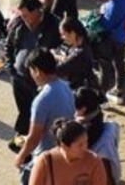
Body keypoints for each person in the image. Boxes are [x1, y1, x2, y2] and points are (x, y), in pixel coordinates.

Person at [5, 0, 62, 149]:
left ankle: (35, 141)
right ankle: (23, 135)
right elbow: (9, 46)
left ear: (36, 11)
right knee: (24, 108)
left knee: (37, 111)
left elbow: (60, 49)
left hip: (38, 80)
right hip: (18, 77)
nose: (23, 18)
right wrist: (11, 68)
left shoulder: (53, 25)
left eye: (25, 15)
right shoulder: (18, 24)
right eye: (21, 15)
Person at [15, 49, 76, 181]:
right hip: (65, 151)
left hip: (47, 156)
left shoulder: (41, 100)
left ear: (37, 71)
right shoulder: (66, 86)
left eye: (31, 71)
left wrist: (20, 156)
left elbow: (34, 137)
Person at [28, 120, 108, 185]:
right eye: (80, 145)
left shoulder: (94, 162)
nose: (85, 148)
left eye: (86, 142)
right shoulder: (45, 162)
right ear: (64, 146)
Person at [55, 19, 96, 91]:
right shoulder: (78, 45)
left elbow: (58, 70)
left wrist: (56, 57)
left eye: (63, 34)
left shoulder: (79, 54)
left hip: (79, 92)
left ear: (73, 33)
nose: (62, 38)